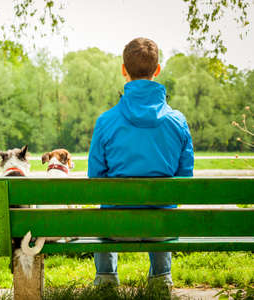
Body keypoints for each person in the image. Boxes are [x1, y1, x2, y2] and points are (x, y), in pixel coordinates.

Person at [87, 37, 194, 287]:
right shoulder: (177, 122)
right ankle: (160, 278)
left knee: (105, 212)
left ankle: (106, 278)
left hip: (116, 227)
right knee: (163, 209)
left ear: (124, 70)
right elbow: (185, 179)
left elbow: (95, 178)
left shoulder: (106, 121)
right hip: (162, 228)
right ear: (157, 70)